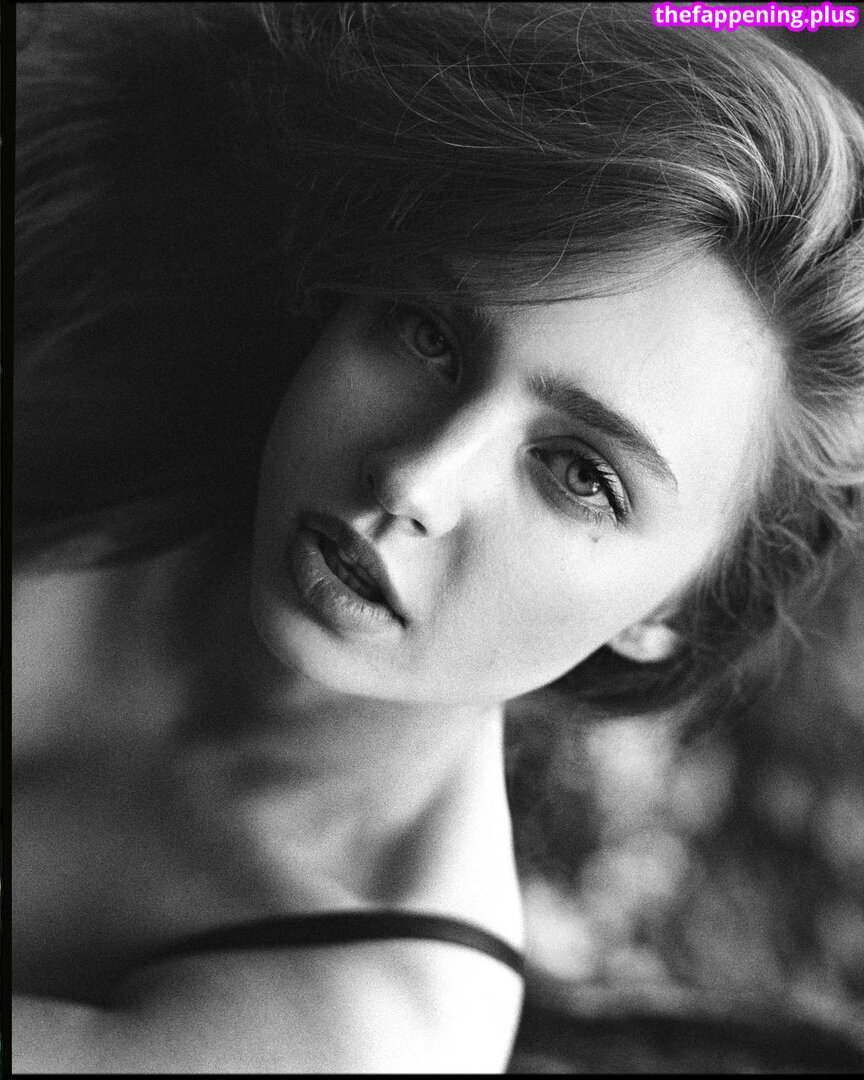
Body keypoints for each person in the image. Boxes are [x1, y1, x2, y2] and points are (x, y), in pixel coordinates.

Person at [12, 2, 864, 1072]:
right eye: (431, 335)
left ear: (676, 612)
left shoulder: (359, 1024)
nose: (415, 477)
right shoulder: (113, 281)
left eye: (581, 476)